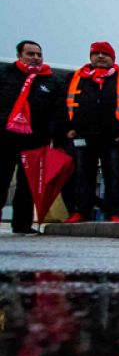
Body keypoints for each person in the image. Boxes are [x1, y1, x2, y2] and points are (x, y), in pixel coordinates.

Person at [60, 42, 119, 223]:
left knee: (114, 176)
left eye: (105, 54)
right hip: (83, 135)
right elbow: (62, 104)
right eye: (97, 53)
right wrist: (67, 129)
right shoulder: (76, 78)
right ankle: (81, 212)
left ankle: (114, 212)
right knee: (83, 176)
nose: (101, 57)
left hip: (114, 136)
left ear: (113, 58)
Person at [1, 40, 66, 234]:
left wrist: (56, 137)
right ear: (19, 55)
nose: (35, 58)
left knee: (28, 184)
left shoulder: (52, 81)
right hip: (5, 137)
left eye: (38, 54)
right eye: (31, 54)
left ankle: (21, 224)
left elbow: (58, 112)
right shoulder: (5, 75)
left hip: (36, 140)